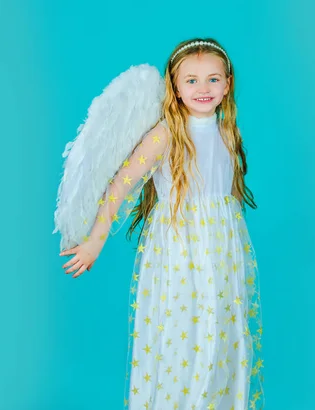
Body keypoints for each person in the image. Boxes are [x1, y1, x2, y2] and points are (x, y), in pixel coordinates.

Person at [60, 37, 265, 410]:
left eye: (212, 79)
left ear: (228, 84)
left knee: (221, 334)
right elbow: (120, 186)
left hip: (220, 252)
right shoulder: (166, 134)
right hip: (179, 250)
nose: (203, 89)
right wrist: (94, 241)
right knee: (184, 336)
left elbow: (224, 200)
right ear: (174, 86)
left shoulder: (227, 133)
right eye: (191, 80)